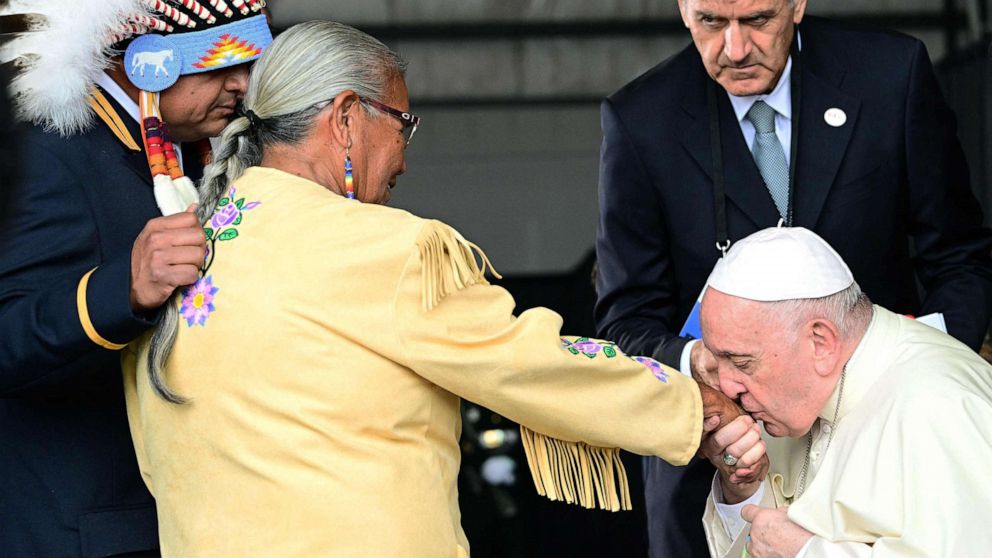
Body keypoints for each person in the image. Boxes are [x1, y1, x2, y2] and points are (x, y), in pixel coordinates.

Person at [120, 21, 749, 557]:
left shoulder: (173, 259)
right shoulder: (380, 248)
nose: (405, 157)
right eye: (402, 124)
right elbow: (529, 365)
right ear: (345, 119)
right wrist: (694, 404)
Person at [594, 0, 992, 554]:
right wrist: (702, 368)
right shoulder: (640, 118)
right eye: (710, 22)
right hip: (721, 460)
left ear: (797, 3)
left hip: (889, 439)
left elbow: (960, 256)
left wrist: (916, 375)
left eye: (758, 20)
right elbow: (623, 321)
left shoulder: (890, 74)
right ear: (683, 8)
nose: (734, 50)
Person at [0, 2, 272, 556]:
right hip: (86, 532)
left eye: (250, 65)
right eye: (219, 65)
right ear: (148, 61)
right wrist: (122, 288)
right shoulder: (49, 150)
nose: (242, 86)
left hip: (171, 520)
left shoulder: (185, 154)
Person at [696, 226, 992, 557]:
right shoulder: (793, 393)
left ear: (821, 342)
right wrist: (743, 488)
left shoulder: (943, 407)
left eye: (740, 362)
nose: (726, 386)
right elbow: (768, 536)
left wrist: (809, 553)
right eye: (717, 360)